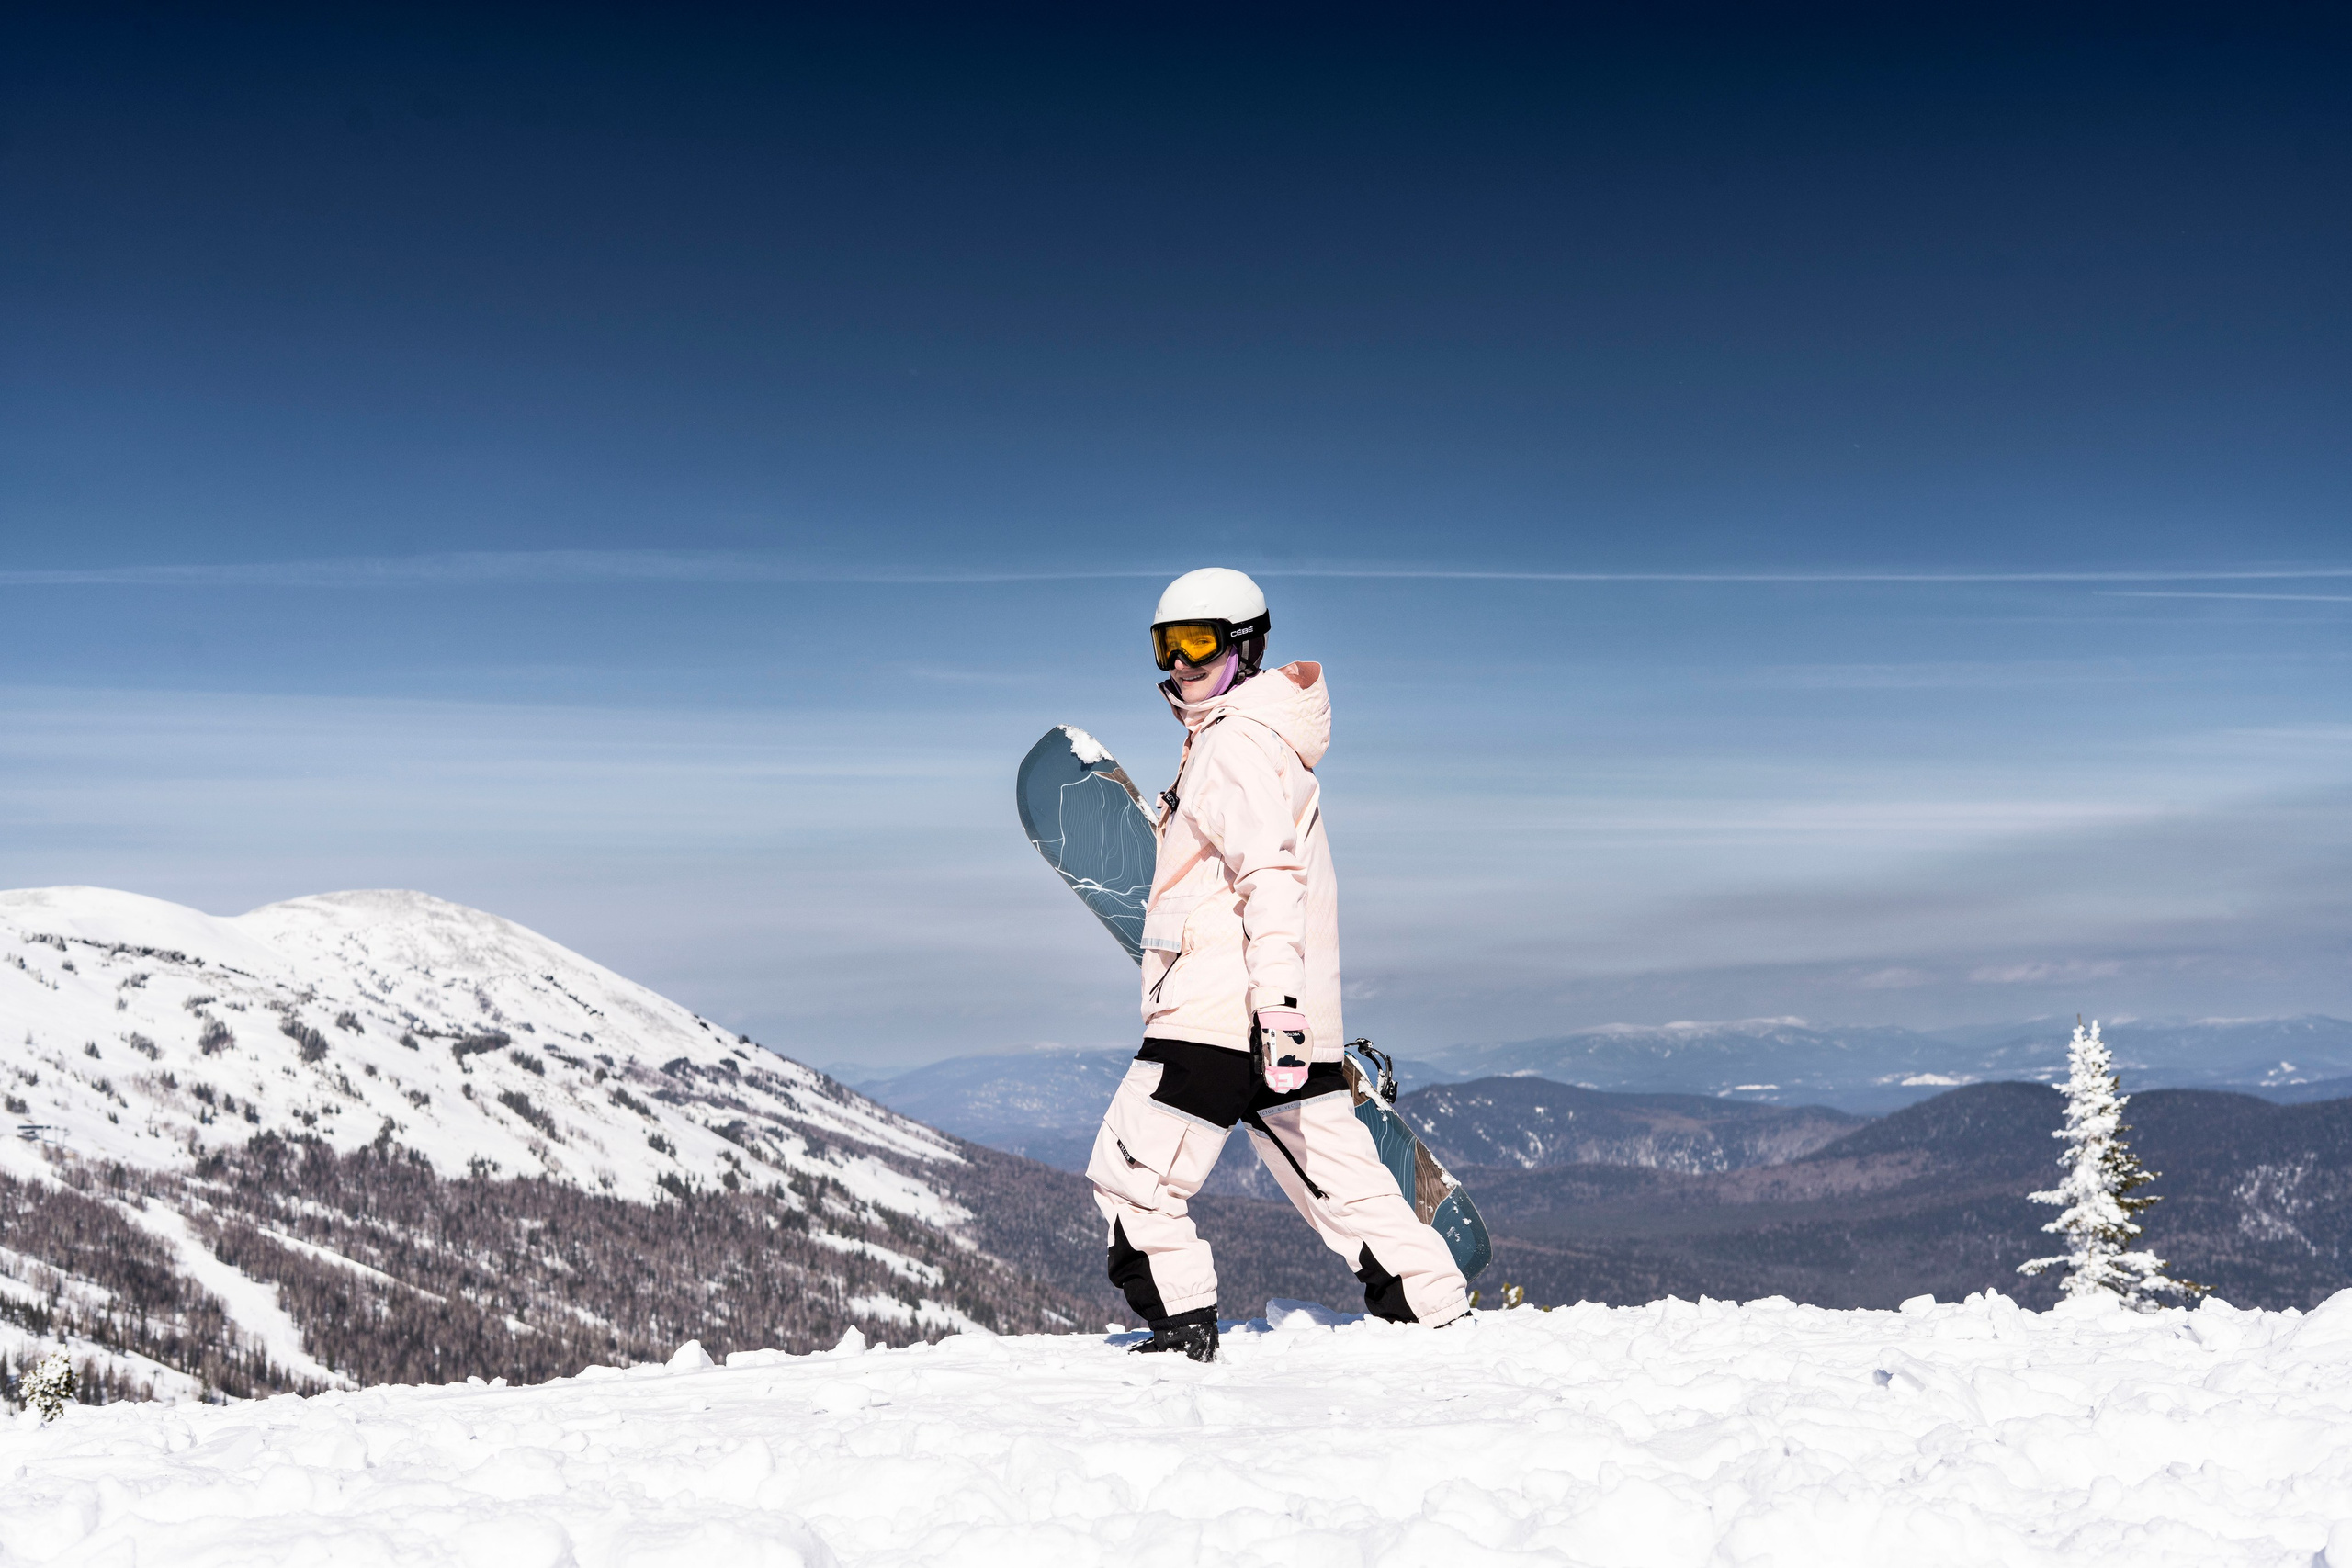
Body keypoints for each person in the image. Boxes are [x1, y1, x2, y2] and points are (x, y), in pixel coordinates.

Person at [1085, 567, 1471, 1361]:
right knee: (1344, 1182)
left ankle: (1184, 1327)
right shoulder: (1266, 743)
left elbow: (1269, 878)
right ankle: (1437, 1314)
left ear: (1247, 648)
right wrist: (1293, 1016)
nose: (1181, 666)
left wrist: (1275, 1005)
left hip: (1220, 1010)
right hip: (1282, 1017)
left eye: (1200, 644)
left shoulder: (1232, 743)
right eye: (1168, 646)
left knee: (1133, 1173)